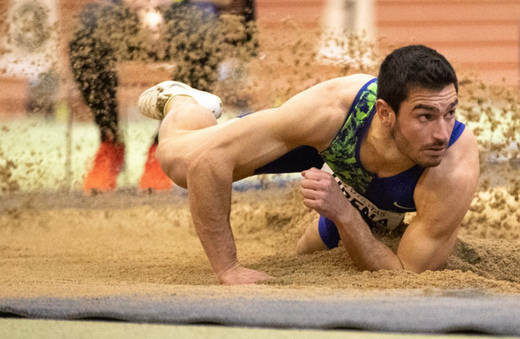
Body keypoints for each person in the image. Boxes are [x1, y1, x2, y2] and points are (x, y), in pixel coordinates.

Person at [137, 45, 480, 285]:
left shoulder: (452, 164)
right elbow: (207, 163)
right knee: (181, 164)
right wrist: (228, 268)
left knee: (316, 248)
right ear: (385, 113)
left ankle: (357, 210)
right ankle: (186, 102)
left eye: (450, 113)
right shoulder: (332, 109)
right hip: (330, 144)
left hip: (374, 191)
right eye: (425, 116)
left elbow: (405, 275)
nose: (441, 133)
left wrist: (343, 213)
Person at [69, 0, 255, 192]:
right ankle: (110, 142)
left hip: (188, 2)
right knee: (86, 37)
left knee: (203, 36)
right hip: (133, 0)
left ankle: (161, 147)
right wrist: (144, 9)